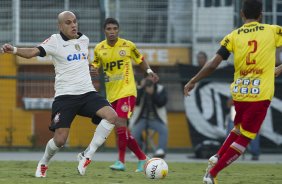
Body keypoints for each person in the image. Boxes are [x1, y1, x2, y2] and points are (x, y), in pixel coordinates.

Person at [1, 11, 119, 177]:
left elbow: (81, 63)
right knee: (60, 140)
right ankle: (44, 163)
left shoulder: (84, 40)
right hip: (65, 97)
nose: (73, 25)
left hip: (87, 93)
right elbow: (33, 52)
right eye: (68, 22)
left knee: (112, 116)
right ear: (60, 26)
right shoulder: (55, 41)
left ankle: (87, 155)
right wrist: (13, 49)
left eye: (75, 22)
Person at [183, 0, 282, 183]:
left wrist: (193, 80)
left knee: (237, 130)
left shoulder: (233, 36)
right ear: (261, 15)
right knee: (245, 139)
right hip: (259, 95)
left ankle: (217, 157)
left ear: (242, 14)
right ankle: (212, 175)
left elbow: (213, 64)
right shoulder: (272, 30)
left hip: (240, 94)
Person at [89, 18, 159, 172]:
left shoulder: (128, 45)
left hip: (127, 91)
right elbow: (95, 64)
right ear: (104, 31)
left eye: (115, 28)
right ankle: (142, 158)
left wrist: (149, 71)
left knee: (121, 124)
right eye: (109, 29)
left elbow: (140, 59)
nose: (112, 31)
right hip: (111, 94)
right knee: (121, 130)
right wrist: (93, 69)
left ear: (118, 30)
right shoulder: (99, 48)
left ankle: (121, 161)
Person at [129, 77, 168, 158]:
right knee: (134, 131)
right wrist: (141, 88)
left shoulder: (160, 89)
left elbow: (161, 103)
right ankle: (138, 149)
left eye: (151, 78)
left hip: (156, 119)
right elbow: (135, 102)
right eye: (147, 78)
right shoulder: (139, 89)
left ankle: (160, 149)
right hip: (141, 118)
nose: (149, 81)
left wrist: (153, 93)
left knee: (164, 130)